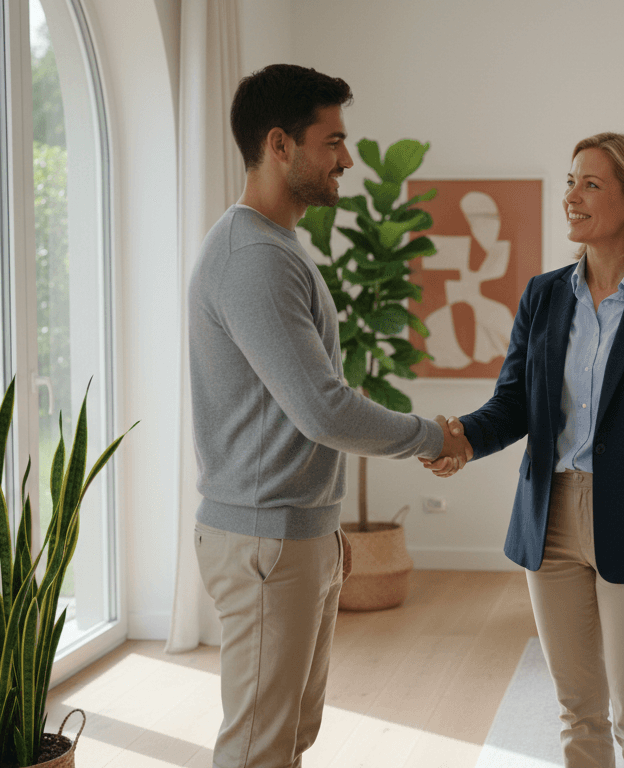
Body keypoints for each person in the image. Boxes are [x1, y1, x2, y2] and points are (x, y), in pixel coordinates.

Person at [188, 63, 470, 768]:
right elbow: (322, 408)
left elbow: (297, 411)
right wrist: (431, 436)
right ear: (280, 144)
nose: (346, 159)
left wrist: (325, 529)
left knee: (289, 738)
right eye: (333, 141)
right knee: (258, 748)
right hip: (266, 539)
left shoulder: (277, 247)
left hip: (293, 532)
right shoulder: (252, 257)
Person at [425, 132, 624, 768]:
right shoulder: (545, 294)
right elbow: (513, 405)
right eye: (570, 182)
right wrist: (462, 439)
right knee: (577, 708)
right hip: (549, 518)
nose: (571, 197)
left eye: (591, 184)